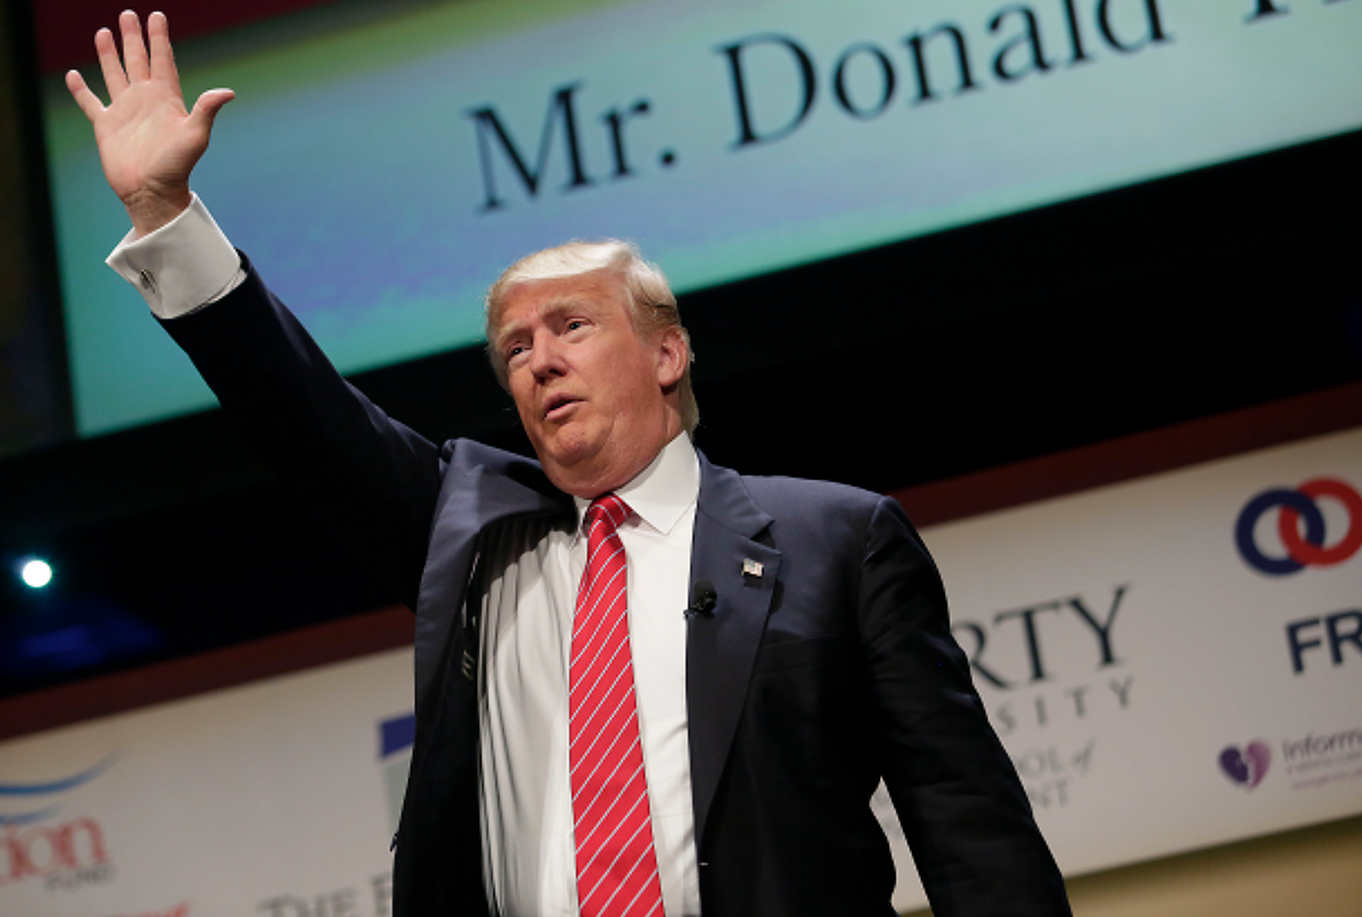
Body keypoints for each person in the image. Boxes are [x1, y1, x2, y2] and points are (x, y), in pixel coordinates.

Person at [67, 11, 1072, 916]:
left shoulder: (834, 538)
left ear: (667, 352)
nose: (537, 357)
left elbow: (962, 812)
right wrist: (166, 213)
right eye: (513, 347)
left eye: (571, 325)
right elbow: (300, 412)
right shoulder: (470, 533)